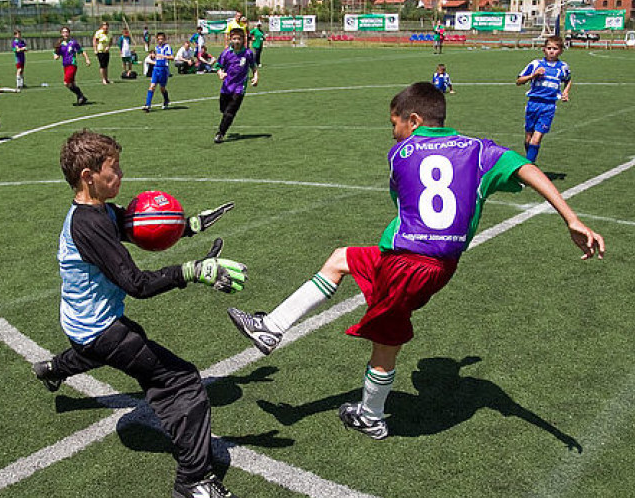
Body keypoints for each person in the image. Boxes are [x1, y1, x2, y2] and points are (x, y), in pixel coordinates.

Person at [227, 82, 604, 441]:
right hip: (438, 266)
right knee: (342, 261)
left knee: (386, 342)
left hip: (408, 261)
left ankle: (371, 417)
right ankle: (272, 327)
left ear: (414, 121)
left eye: (395, 124)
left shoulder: (400, 154)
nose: (393, 133)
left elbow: (402, 199)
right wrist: (570, 218)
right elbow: (526, 170)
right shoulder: (479, 149)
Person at [31, 129, 246, 498]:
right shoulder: (89, 224)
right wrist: (192, 270)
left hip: (83, 323)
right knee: (180, 381)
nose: (121, 176)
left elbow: (137, 226)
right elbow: (136, 284)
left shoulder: (99, 212)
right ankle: (194, 480)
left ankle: (52, 368)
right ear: (88, 176)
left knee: (99, 350)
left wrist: (189, 224)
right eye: (114, 170)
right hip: (99, 328)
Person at [516, 35, 571, 164]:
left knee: (536, 139)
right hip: (533, 104)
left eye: (555, 48)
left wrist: (565, 92)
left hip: (549, 106)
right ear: (543, 50)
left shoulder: (563, 67)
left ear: (561, 51)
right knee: (528, 139)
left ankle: (529, 167)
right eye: (549, 48)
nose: (552, 51)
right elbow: (518, 81)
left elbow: (568, 79)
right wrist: (533, 75)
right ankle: (529, 160)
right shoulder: (536, 64)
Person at [213, 27, 259, 144]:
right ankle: (226, 121)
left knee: (230, 111)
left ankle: (220, 133)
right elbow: (218, 66)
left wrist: (255, 77)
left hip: (240, 87)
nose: (237, 41)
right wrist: (220, 73)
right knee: (223, 109)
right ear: (230, 39)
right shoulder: (226, 53)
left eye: (239, 38)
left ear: (243, 39)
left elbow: (253, 66)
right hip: (226, 87)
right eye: (234, 39)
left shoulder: (248, 53)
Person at [54, 26, 91, 106]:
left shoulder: (73, 43)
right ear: (61, 34)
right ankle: (81, 97)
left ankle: (80, 95)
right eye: (63, 32)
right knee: (72, 84)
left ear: (69, 33)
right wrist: (56, 56)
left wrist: (87, 59)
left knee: (66, 83)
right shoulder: (60, 44)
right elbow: (56, 53)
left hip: (72, 64)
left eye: (67, 32)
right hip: (65, 65)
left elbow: (81, 51)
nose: (65, 34)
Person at [142, 32, 173, 113]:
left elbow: (172, 57)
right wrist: (153, 56)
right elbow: (154, 57)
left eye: (162, 39)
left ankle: (166, 100)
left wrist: (164, 56)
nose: (160, 40)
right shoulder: (156, 48)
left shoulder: (167, 47)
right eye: (159, 39)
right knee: (152, 86)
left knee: (162, 89)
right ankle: (147, 105)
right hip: (156, 69)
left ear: (164, 39)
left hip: (164, 69)